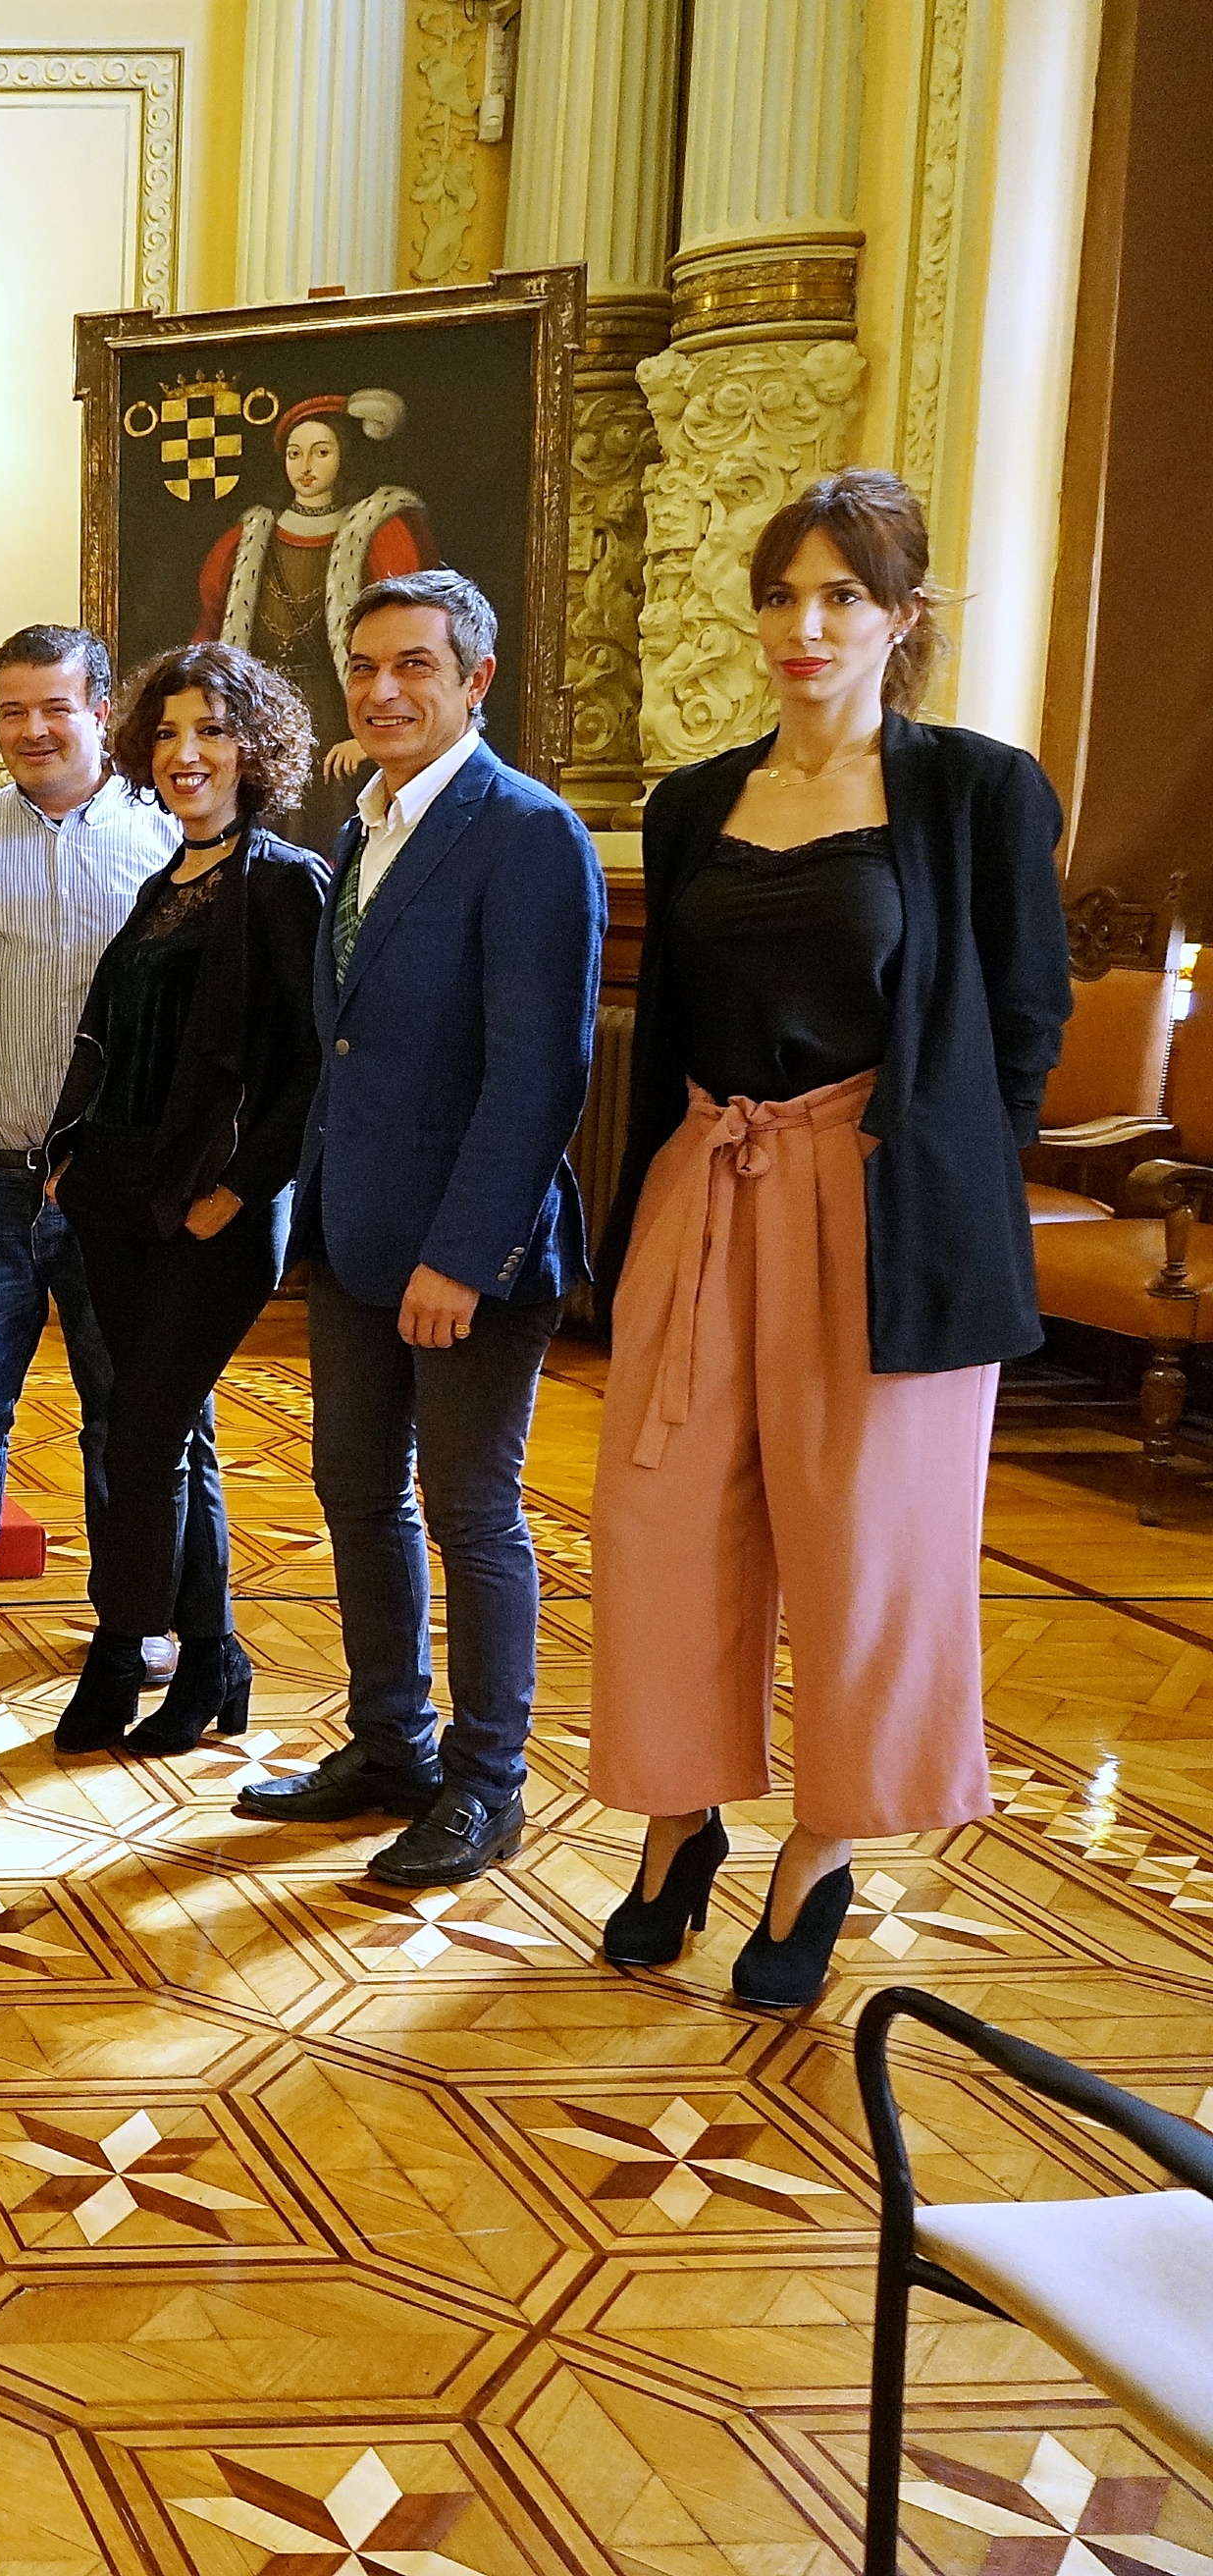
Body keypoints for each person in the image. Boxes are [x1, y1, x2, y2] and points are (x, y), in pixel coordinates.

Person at [589, 469, 1067, 2012]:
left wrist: (938, 1188)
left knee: (867, 1547)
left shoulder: (979, 793)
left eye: (843, 595)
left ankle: (827, 1845)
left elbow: (1023, 1024)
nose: (807, 625)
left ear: (902, 617)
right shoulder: (695, 802)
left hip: (884, 1207)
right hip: (707, 1184)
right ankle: (678, 1815)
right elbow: (670, 1027)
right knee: (663, 1522)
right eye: (784, 594)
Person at [239, 568, 601, 1889]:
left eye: (415, 666)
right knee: (354, 1490)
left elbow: (538, 1073)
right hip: (354, 1235)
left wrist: (464, 1255)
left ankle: (488, 1781)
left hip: (470, 1254)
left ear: (475, 680)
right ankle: (390, 1743)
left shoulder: (528, 832)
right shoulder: (368, 826)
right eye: (365, 667)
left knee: (471, 1510)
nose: (383, 690)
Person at [42, 642, 328, 1755]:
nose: (185, 752)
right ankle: (214, 1660)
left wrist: (240, 1191)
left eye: (210, 729)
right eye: (165, 733)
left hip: (214, 1218)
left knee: (144, 1434)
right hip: (118, 1206)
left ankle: (120, 1655)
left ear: (254, 747)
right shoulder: (165, 884)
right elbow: (113, 1041)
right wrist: (69, 1160)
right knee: (181, 1434)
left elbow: (312, 1067)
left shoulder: (284, 881)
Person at [0, 625, 182, 1673]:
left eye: (55, 707)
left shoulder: (165, 838)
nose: (33, 729)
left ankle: (137, 1611)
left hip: (116, 1190)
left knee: (124, 1408)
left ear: (101, 711)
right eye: (12, 709)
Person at [196, 391, 441, 859]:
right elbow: (209, 632)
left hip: (338, 714)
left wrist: (368, 737)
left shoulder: (379, 529)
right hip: (263, 714)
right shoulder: (248, 538)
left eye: (321, 452)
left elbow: (413, 643)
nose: (305, 467)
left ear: (344, 457)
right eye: (295, 454)